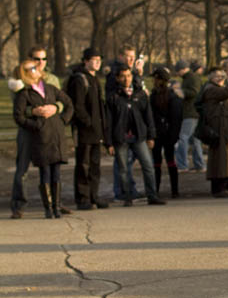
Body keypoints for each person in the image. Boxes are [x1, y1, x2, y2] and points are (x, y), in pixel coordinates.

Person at [9, 45, 72, 218]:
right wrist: (33, 112)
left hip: (49, 129)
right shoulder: (19, 79)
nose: (41, 62)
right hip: (30, 128)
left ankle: (55, 204)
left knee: (52, 167)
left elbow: (60, 100)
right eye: (37, 59)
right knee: (22, 169)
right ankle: (19, 204)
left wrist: (56, 109)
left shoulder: (50, 79)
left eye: (44, 59)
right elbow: (19, 106)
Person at [106, 66, 166, 206]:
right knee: (123, 169)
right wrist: (108, 143)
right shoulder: (113, 97)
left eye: (128, 75)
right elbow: (108, 121)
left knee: (148, 166)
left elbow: (148, 116)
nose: (126, 79)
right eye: (123, 76)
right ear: (117, 78)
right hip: (121, 137)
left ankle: (152, 195)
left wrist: (151, 136)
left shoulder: (140, 94)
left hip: (139, 135)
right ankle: (127, 197)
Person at [67, 47, 109, 210]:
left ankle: (94, 195)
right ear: (85, 61)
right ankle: (83, 198)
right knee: (83, 165)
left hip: (96, 130)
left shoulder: (95, 79)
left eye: (99, 59)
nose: (98, 62)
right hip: (85, 130)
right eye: (94, 59)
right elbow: (77, 105)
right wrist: (88, 122)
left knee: (95, 166)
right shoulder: (79, 79)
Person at [200, 66, 228, 197]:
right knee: (221, 160)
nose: (220, 78)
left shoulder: (216, 89)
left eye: (222, 76)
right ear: (211, 78)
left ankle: (226, 186)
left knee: (226, 159)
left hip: (226, 129)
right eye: (217, 76)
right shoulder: (211, 89)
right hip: (219, 130)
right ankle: (219, 189)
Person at [149, 66, 183, 198]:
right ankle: (174, 191)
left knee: (158, 162)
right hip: (165, 133)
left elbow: (175, 117)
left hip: (161, 133)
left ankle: (157, 190)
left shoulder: (162, 96)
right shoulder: (171, 95)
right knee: (169, 161)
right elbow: (176, 118)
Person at [174, 59, 206, 172]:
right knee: (195, 140)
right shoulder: (190, 78)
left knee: (183, 138)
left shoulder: (191, 78)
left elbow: (195, 92)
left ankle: (182, 165)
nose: (177, 74)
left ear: (182, 69)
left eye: (178, 71)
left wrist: (180, 91)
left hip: (191, 113)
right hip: (194, 112)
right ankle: (200, 165)